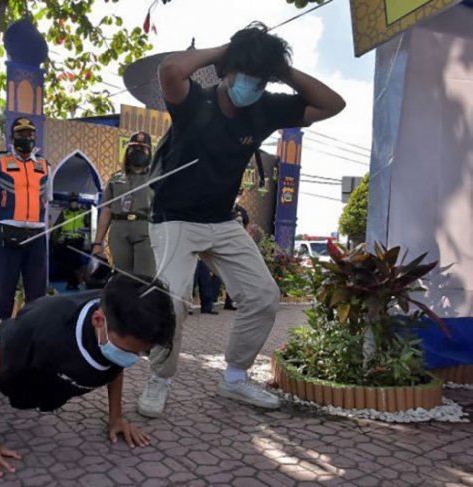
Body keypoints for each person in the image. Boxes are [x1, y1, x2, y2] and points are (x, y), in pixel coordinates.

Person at [138, 22, 345, 418]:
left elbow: (332, 105)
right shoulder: (193, 101)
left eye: (260, 80)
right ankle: (160, 378)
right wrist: (225, 50)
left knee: (264, 296)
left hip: (221, 220)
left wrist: (280, 69)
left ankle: (233, 378)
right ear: (226, 71)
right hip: (174, 218)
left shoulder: (265, 108)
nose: (252, 86)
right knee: (174, 301)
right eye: (245, 75)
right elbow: (170, 71)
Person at [0, 274, 176, 478]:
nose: (134, 359)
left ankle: (3, 331)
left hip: (43, 368)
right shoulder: (48, 329)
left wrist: (116, 418)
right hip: (17, 345)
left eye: (141, 353)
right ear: (98, 321)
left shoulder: (118, 321)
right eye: (129, 352)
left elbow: (113, 363)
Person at [0, 117, 52, 320]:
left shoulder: (45, 166)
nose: (26, 138)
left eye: (30, 134)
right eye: (21, 134)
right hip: (7, 234)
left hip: (36, 235)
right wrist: (2, 217)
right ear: (12, 138)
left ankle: (33, 334)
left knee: (37, 292)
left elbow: (47, 197)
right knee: (4, 288)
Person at [92, 131, 155, 277]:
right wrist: (97, 243)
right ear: (127, 151)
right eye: (133, 148)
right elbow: (106, 212)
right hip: (119, 230)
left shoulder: (156, 178)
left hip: (146, 229)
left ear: (150, 152)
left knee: (144, 278)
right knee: (123, 278)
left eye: (142, 148)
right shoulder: (115, 179)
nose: (138, 152)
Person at [52, 192, 90, 290]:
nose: (74, 203)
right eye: (72, 201)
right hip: (67, 241)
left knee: (75, 261)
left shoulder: (82, 213)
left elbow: (89, 227)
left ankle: (75, 282)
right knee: (67, 263)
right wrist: (56, 240)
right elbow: (57, 227)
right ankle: (74, 281)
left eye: (75, 201)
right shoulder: (65, 212)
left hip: (78, 240)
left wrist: (87, 240)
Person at [224, 203, 250, 310]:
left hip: (238, 245)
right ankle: (229, 301)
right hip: (226, 244)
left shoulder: (241, 210)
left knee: (237, 275)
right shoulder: (223, 207)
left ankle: (233, 300)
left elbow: (247, 222)